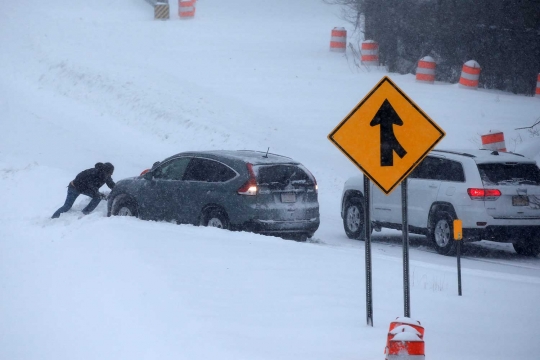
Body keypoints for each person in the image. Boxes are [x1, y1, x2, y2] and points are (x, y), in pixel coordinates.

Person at [51, 162, 116, 219]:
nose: (111, 175)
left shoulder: (106, 176)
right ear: (105, 171)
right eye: (110, 173)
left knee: (98, 197)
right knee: (67, 206)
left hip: (85, 189)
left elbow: (111, 184)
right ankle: (53, 218)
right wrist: (98, 193)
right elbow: (91, 186)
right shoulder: (93, 173)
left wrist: (118, 189)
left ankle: (84, 213)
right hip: (74, 187)